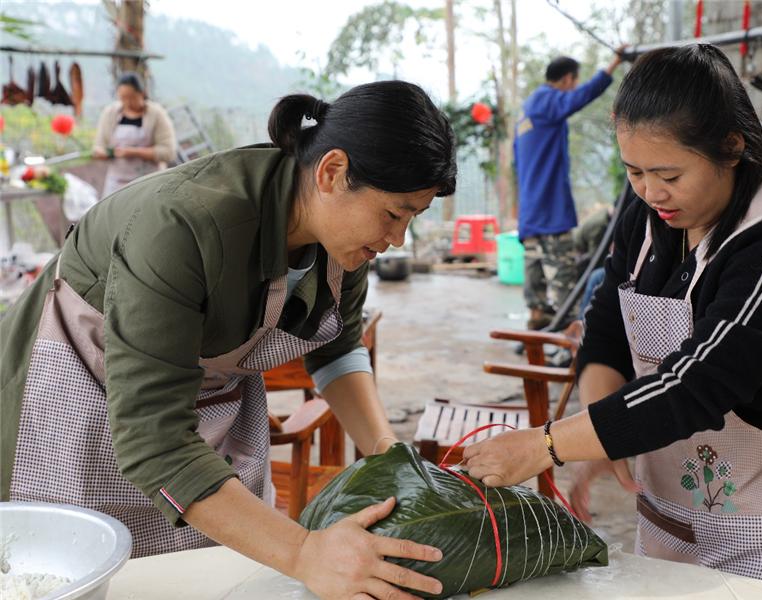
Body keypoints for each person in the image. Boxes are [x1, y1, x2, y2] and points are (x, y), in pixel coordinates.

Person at [2, 81, 455, 599]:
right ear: (332, 172)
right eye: (393, 214)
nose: (397, 240)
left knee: (219, 575)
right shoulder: (182, 225)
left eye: (412, 219)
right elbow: (154, 441)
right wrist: (305, 553)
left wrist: (387, 453)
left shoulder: (345, 243)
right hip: (77, 399)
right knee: (96, 573)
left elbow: (336, 349)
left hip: (193, 421)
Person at [463, 45, 762, 591]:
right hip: (674, 517)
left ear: (731, 147)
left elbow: (694, 384)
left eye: (668, 174)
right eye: (634, 171)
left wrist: (544, 444)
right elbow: (606, 332)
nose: (650, 192)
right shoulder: (647, 220)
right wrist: (603, 433)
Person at [515, 51, 623, 330]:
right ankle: (570, 337)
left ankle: (537, 320)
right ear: (566, 79)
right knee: (564, 277)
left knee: (535, 274)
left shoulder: (527, 110)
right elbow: (582, 97)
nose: (575, 87)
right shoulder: (548, 100)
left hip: (530, 211)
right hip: (550, 209)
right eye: (575, 81)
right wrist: (613, 64)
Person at [92, 72, 177, 197]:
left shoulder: (157, 114)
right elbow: (98, 146)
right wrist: (103, 153)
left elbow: (168, 152)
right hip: (116, 185)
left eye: (131, 97)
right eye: (123, 98)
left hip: (149, 183)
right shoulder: (110, 113)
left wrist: (133, 152)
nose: (127, 102)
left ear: (142, 93)